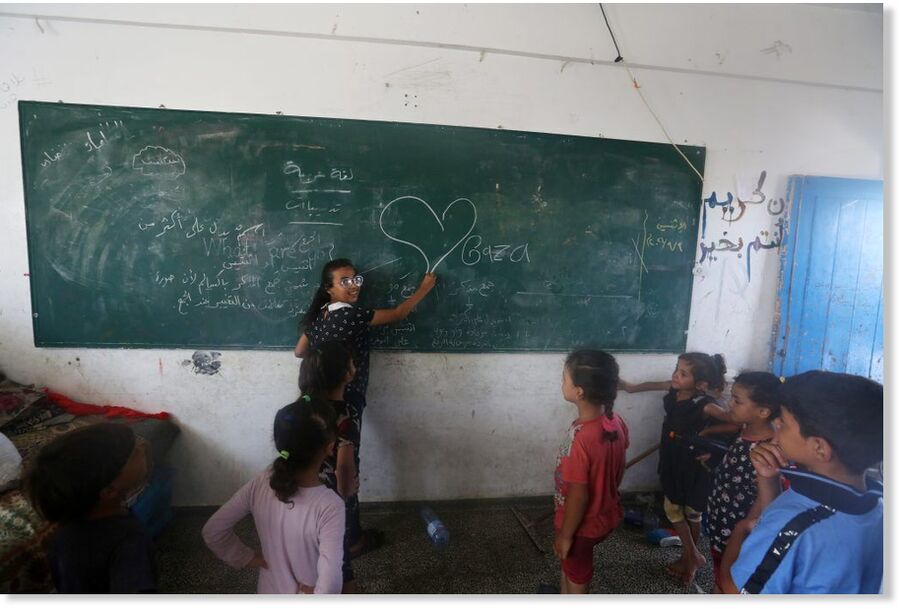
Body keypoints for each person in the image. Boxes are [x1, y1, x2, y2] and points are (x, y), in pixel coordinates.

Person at [294, 258, 436, 556]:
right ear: (329, 288)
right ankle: (350, 540)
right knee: (346, 471)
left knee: (324, 468)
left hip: (313, 400)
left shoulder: (319, 316)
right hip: (345, 400)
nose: (353, 286)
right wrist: (424, 288)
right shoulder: (350, 316)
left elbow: (299, 351)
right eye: (344, 281)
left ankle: (325, 535)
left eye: (356, 280)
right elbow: (399, 312)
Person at [721, 371, 882, 594]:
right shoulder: (878, 507)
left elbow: (734, 591)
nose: (775, 422)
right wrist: (768, 480)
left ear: (819, 448)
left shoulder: (795, 525)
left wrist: (737, 534)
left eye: (784, 422)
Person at [202, 396, 345, 594]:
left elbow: (213, 531)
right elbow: (330, 583)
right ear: (330, 447)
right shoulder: (330, 505)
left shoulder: (262, 482)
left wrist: (246, 556)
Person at [619, 351, 733, 586]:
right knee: (674, 508)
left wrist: (709, 436)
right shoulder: (675, 390)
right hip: (672, 460)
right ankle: (692, 556)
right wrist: (630, 388)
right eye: (676, 369)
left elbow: (736, 422)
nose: (675, 375)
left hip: (694, 466)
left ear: (701, 384)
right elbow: (655, 384)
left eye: (683, 373)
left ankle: (689, 558)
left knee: (691, 512)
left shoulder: (707, 405)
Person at [24, 423, 155, 593]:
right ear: (109, 491)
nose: (143, 447)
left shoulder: (65, 529)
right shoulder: (128, 541)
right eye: (134, 453)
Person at [553, 350, 629, 594]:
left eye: (564, 379)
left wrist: (566, 535)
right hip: (605, 515)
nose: (561, 384)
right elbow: (620, 469)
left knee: (577, 575)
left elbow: (579, 494)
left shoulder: (581, 438)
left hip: (580, 526)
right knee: (570, 567)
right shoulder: (615, 421)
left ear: (579, 392)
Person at [298, 340, 366, 592]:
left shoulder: (300, 407)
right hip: (332, 497)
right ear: (346, 374)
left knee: (310, 552)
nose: (353, 367)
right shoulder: (346, 412)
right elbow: (344, 469)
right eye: (350, 363)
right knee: (339, 559)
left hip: (300, 492)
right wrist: (347, 492)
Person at [703, 371, 780, 593]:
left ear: (763, 411)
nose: (730, 404)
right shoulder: (746, 431)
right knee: (719, 568)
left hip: (739, 530)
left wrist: (743, 530)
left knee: (731, 576)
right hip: (721, 518)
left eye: (737, 400)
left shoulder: (767, 450)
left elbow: (762, 499)